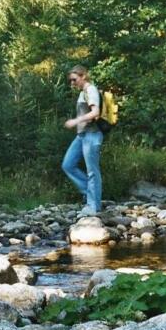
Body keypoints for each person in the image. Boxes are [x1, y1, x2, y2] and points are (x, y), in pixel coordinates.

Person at [61, 65, 103, 217]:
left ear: (83, 76)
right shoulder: (82, 93)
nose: (72, 83)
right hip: (82, 136)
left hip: (92, 135)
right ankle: (90, 193)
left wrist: (75, 121)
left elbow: (95, 112)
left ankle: (93, 206)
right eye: (70, 81)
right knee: (68, 164)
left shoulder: (91, 90)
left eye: (74, 79)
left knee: (92, 171)